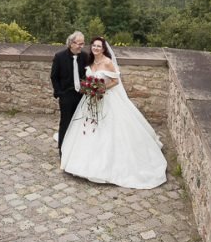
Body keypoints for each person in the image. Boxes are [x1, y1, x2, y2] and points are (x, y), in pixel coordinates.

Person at [60, 36, 167, 189]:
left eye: (99, 46)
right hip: (90, 100)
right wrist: (90, 90)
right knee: (87, 128)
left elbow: (116, 81)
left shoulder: (108, 62)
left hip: (106, 99)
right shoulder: (90, 60)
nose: (96, 48)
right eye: (94, 46)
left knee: (110, 128)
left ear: (103, 49)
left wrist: (101, 89)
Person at [50, 31, 88, 155]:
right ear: (71, 43)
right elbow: (54, 77)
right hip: (66, 95)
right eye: (79, 43)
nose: (81, 46)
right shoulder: (59, 56)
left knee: (80, 123)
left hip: (82, 96)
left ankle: (77, 149)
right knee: (65, 122)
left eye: (83, 44)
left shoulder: (85, 57)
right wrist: (60, 93)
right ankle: (63, 151)